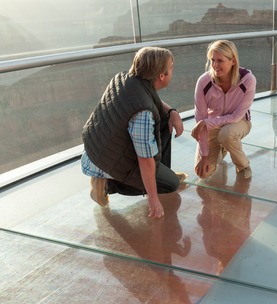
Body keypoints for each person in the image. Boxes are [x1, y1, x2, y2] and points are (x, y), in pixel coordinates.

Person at [81, 46, 187, 218]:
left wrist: (172, 112)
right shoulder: (142, 113)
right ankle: (107, 184)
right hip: (108, 163)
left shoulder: (125, 79)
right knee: (171, 184)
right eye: (171, 68)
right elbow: (145, 159)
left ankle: (160, 175)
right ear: (161, 75)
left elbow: (152, 100)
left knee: (165, 117)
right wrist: (153, 200)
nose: (173, 71)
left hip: (100, 149)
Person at [191, 40, 256, 180]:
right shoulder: (203, 82)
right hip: (212, 126)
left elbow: (236, 116)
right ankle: (222, 148)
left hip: (239, 122)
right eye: (212, 60)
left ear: (233, 61)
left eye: (220, 61)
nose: (215, 65)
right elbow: (200, 120)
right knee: (203, 173)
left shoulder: (248, 80)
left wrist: (206, 123)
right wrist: (205, 155)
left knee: (227, 134)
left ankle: (243, 165)